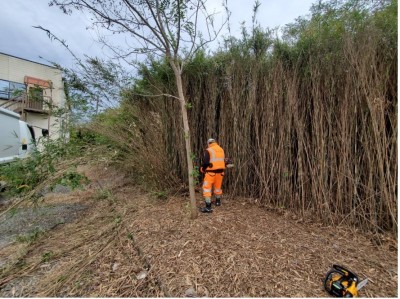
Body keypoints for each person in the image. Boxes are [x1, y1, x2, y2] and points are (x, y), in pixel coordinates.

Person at [200, 138, 225, 213]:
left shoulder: (209, 150)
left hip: (211, 173)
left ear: (209, 143)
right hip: (220, 173)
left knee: (207, 188)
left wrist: (202, 169)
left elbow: (206, 162)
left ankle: (208, 207)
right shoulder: (221, 149)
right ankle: (218, 202)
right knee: (218, 187)